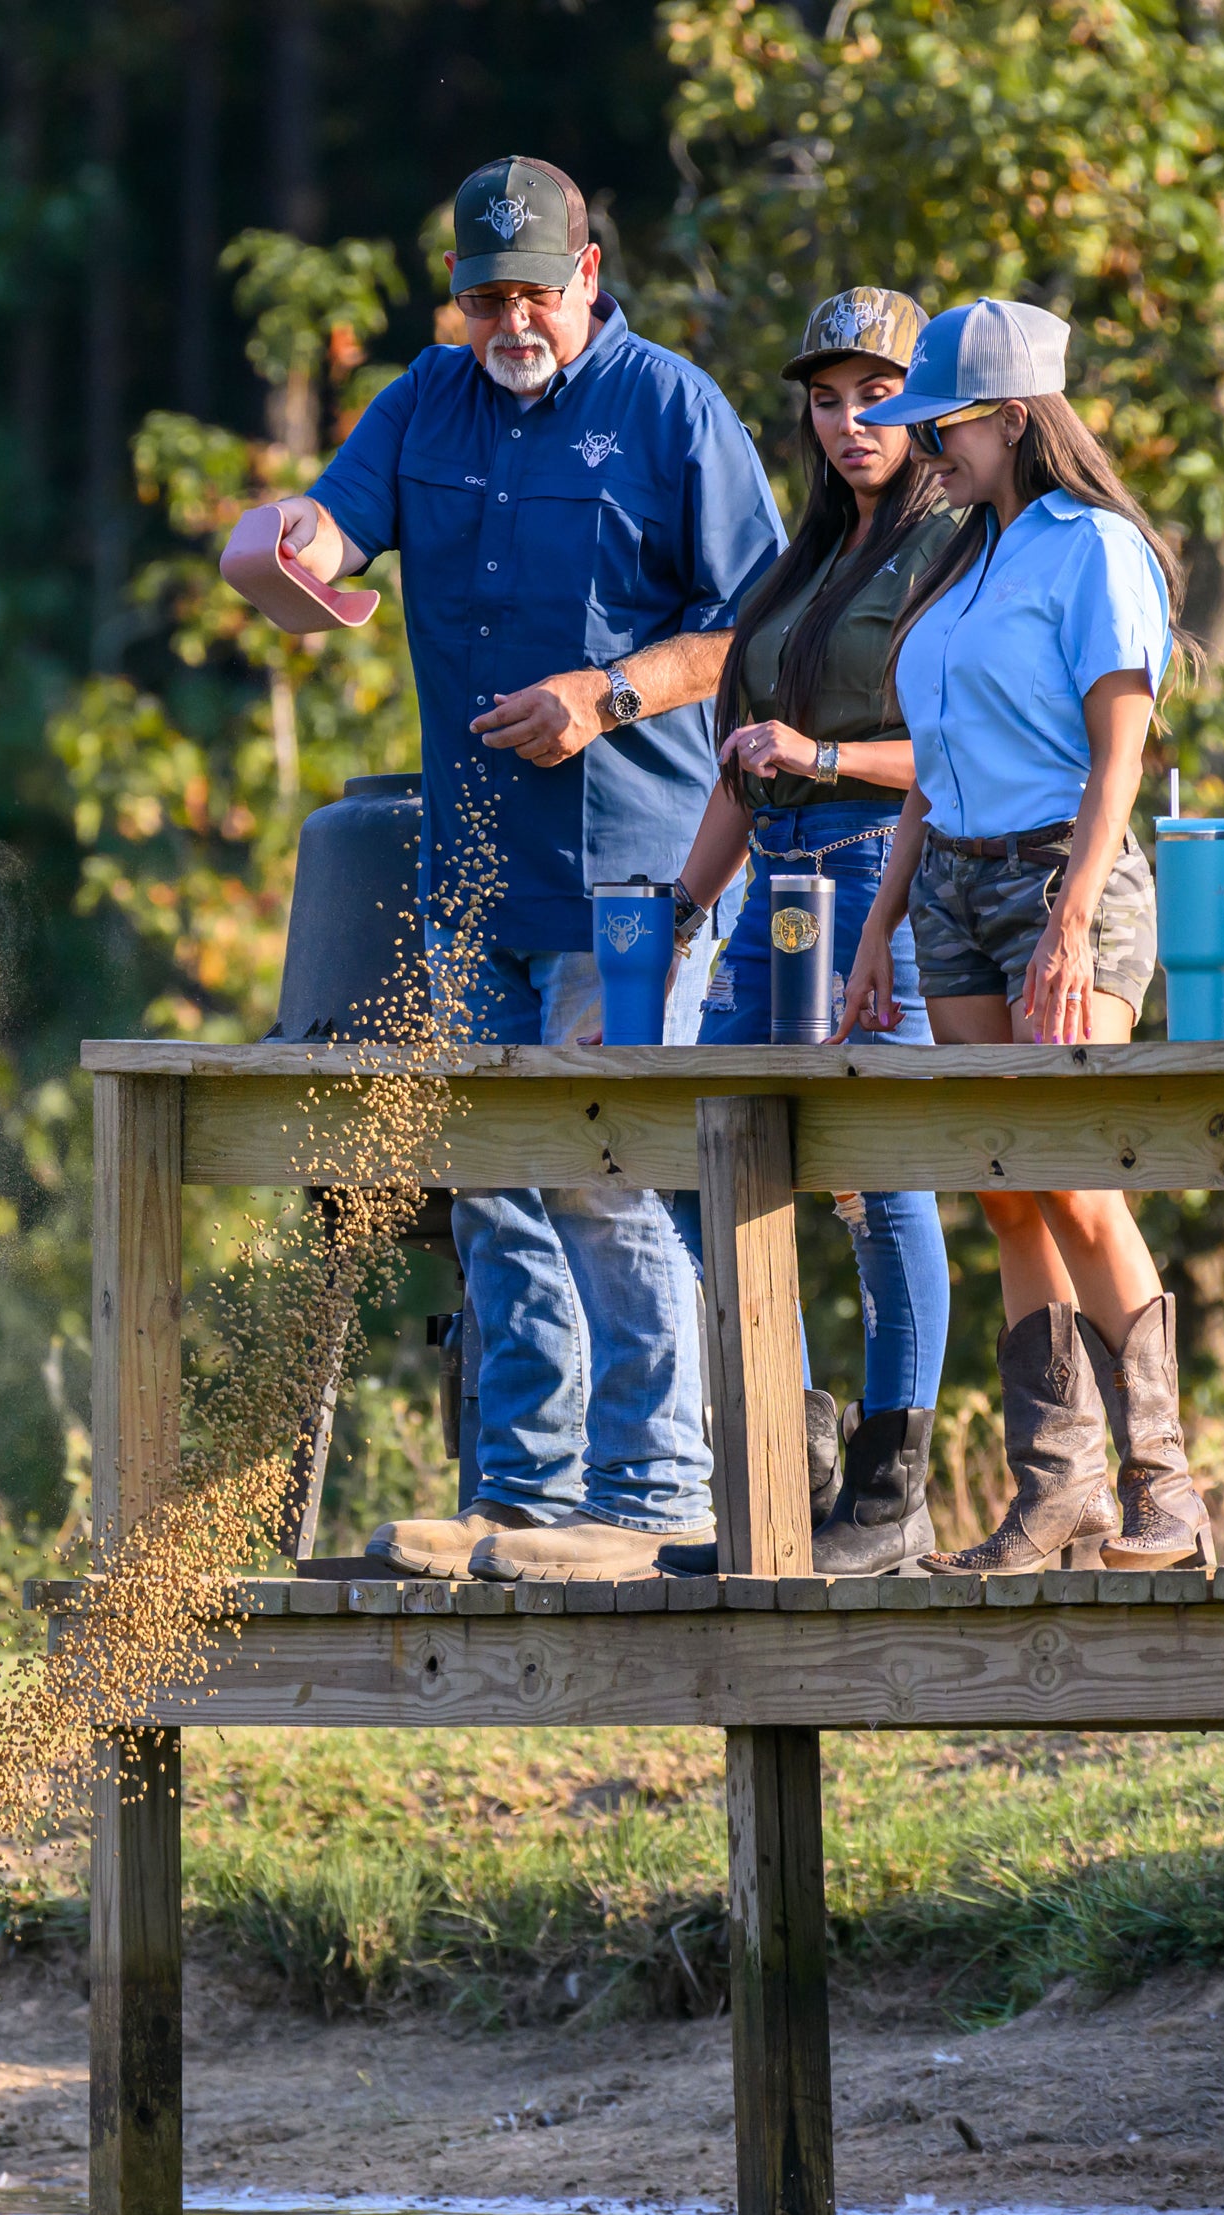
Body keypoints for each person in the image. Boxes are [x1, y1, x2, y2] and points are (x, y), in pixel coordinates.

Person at [230, 155, 784, 1581]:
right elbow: (337, 531)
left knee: (602, 1168)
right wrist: (287, 543)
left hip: (639, 874)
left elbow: (755, 628)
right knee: (486, 1174)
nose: (512, 321)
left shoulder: (673, 408)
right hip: (469, 869)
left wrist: (605, 694)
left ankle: (654, 1495)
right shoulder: (423, 399)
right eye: (486, 300)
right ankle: (525, 1498)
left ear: (587, 275)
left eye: (535, 292)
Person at [838, 297, 1213, 1573]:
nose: (917, 445)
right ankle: (1060, 1492)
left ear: (1007, 419)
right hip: (951, 888)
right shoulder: (962, 559)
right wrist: (880, 928)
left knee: (1071, 1176)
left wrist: (1070, 921)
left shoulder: (1093, 549)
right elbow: (930, 774)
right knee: (1004, 1188)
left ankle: (1166, 1488)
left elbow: (1121, 756)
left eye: (936, 424)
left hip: (1066, 875)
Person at [659, 288, 957, 1577]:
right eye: (828, 402)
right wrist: (681, 908)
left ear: (927, 404)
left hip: (883, 877)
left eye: (876, 396)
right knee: (696, 1161)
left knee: (883, 1185)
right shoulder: (809, 555)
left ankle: (891, 1499)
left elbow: (964, 748)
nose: (849, 424)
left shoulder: (956, 546)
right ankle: (791, 1463)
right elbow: (746, 759)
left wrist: (821, 753)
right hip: (769, 890)